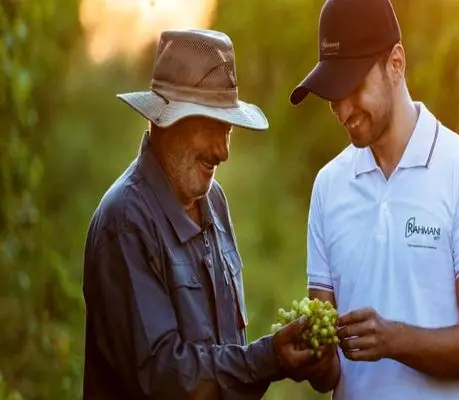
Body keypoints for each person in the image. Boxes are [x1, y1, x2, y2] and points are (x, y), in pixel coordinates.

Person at [82, 29, 318, 399]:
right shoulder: (126, 222)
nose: (223, 151)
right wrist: (265, 359)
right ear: (164, 121)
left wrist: (270, 358)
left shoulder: (214, 202)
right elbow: (164, 376)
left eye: (227, 130)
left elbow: (219, 357)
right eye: (210, 127)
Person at [289, 0, 459, 398]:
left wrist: (392, 341)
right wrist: (311, 358)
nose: (342, 110)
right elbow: (327, 370)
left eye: (353, 88)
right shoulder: (329, 186)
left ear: (396, 63)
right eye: (333, 95)